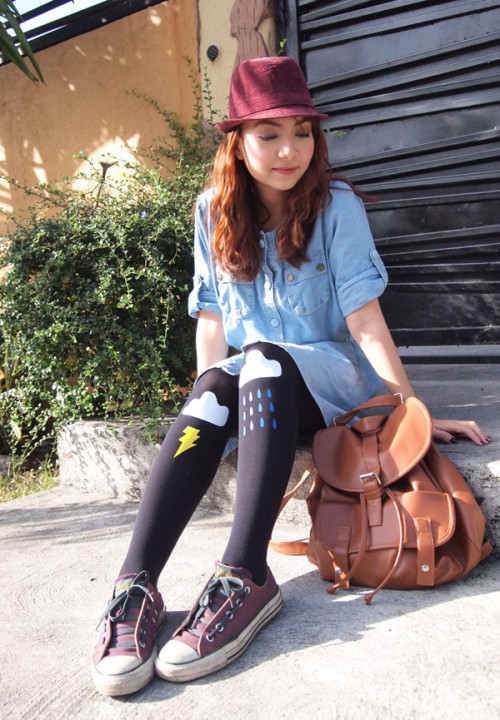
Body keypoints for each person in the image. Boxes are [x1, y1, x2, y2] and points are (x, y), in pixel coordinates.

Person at [91, 56, 492, 697]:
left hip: (328, 380)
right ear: (237, 142)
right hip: (257, 383)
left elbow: (364, 320)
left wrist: (409, 409)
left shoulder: (337, 207)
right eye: (269, 133)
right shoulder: (211, 211)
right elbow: (211, 320)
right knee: (217, 383)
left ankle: (245, 573)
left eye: (302, 132)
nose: (290, 150)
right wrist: (212, 402)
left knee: (262, 359)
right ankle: (134, 583)